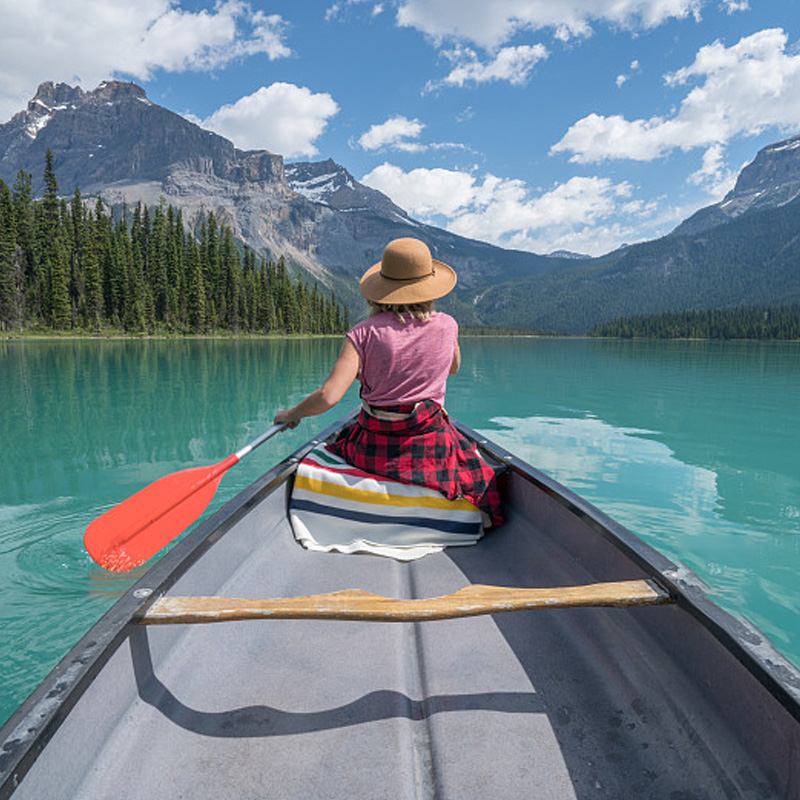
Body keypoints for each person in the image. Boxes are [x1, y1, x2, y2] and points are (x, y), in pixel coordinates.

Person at [274, 237, 503, 527]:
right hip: (431, 446)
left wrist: (292, 415)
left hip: (373, 446)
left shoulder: (362, 333)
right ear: (429, 287)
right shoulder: (448, 325)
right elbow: (454, 368)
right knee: (474, 466)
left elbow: (329, 396)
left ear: (381, 289)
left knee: (339, 441)